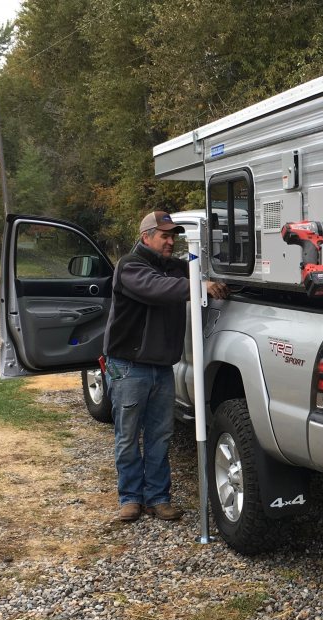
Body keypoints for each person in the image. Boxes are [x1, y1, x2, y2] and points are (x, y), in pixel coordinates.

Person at [104, 210, 228, 523]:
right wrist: (199, 286)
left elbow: (191, 273)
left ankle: (158, 498)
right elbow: (156, 289)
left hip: (162, 367)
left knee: (159, 436)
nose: (171, 241)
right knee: (128, 435)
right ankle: (130, 498)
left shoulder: (174, 267)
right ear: (147, 237)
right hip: (129, 366)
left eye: (174, 236)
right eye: (165, 236)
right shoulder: (130, 266)